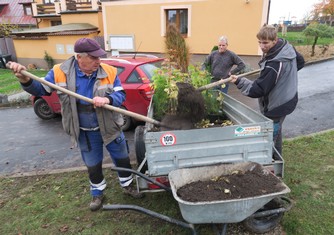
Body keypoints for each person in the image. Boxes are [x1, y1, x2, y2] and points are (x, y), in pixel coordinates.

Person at [8, 37, 143, 211]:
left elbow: (120, 94)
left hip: (111, 127)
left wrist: (107, 99)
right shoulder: (59, 72)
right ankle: (97, 192)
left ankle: (128, 186)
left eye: (99, 57)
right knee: (93, 163)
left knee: (122, 158)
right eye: (93, 58)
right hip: (85, 131)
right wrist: (24, 79)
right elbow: (41, 89)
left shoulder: (108, 71)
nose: (98, 61)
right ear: (80, 57)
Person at [230, 25, 305, 157]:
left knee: (269, 136)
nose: (262, 46)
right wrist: (284, 77)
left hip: (278, 104)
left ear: (274, 41)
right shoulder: (287, 48)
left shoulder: (274, 64)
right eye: (259, 42)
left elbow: (257, 90)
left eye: (265, 43)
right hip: (289, 97)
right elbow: (300, 62)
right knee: (276, 130)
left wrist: (239, 81)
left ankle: (269, 166)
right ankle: (277, 158)